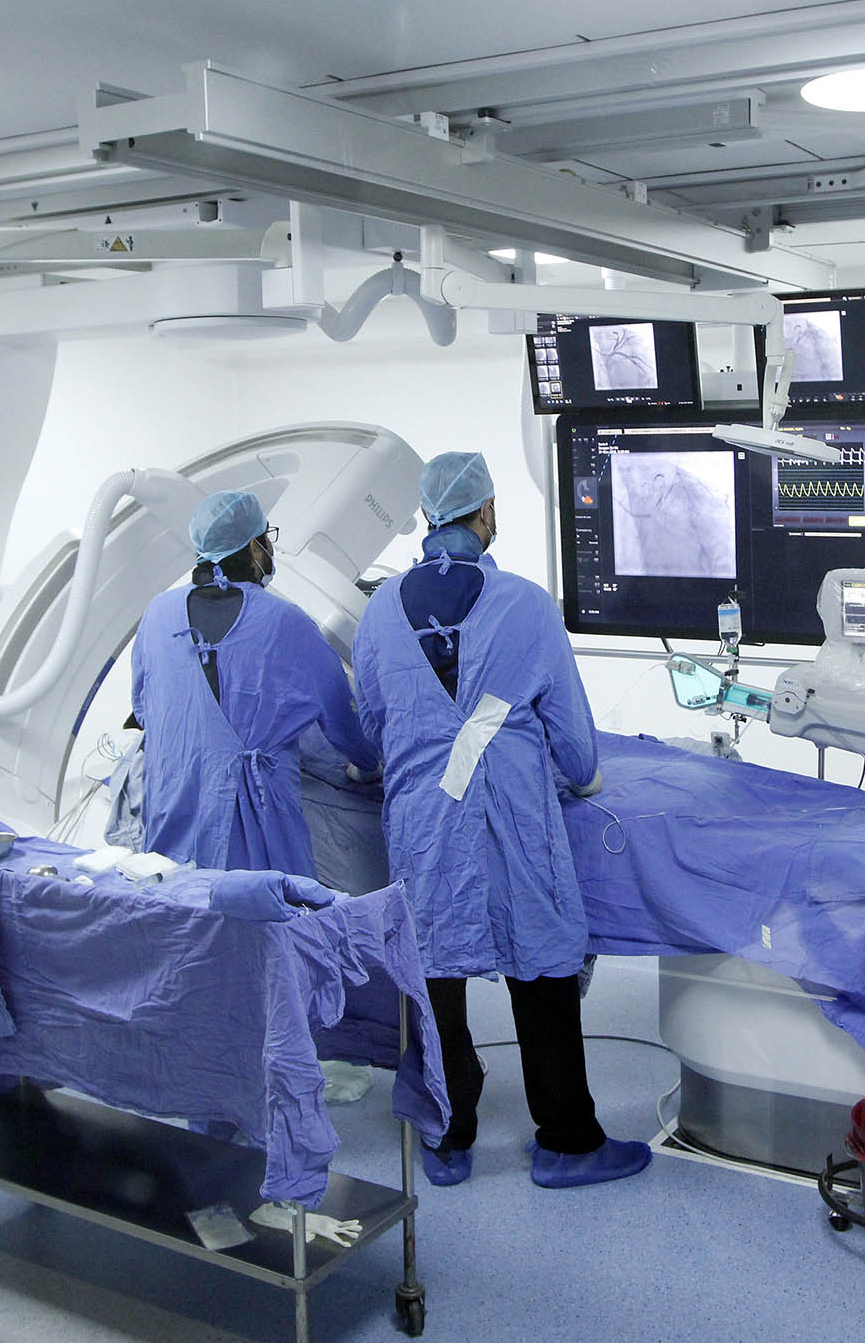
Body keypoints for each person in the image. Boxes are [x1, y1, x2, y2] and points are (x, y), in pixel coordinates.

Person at [352, 450, 650, 1191]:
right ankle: (567, 1143)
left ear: (428, 516)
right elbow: (577, 750)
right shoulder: (525, 604)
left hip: (423, 820)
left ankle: (447, 1136)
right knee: (540, 961)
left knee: (433, 971)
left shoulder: (380, 611)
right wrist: (579, 774)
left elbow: (373, 730)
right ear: (485, 511)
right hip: (511, 814)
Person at [131, 489, 380, 875]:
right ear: (253, 546)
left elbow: (143, 708)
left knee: (177, 902)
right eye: (268, 537)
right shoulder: (284, 621)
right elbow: (342, 716)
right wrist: (367, 767)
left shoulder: (157, 613)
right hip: (250, 816)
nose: (270, 549)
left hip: (171, 800)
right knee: (265, 906)